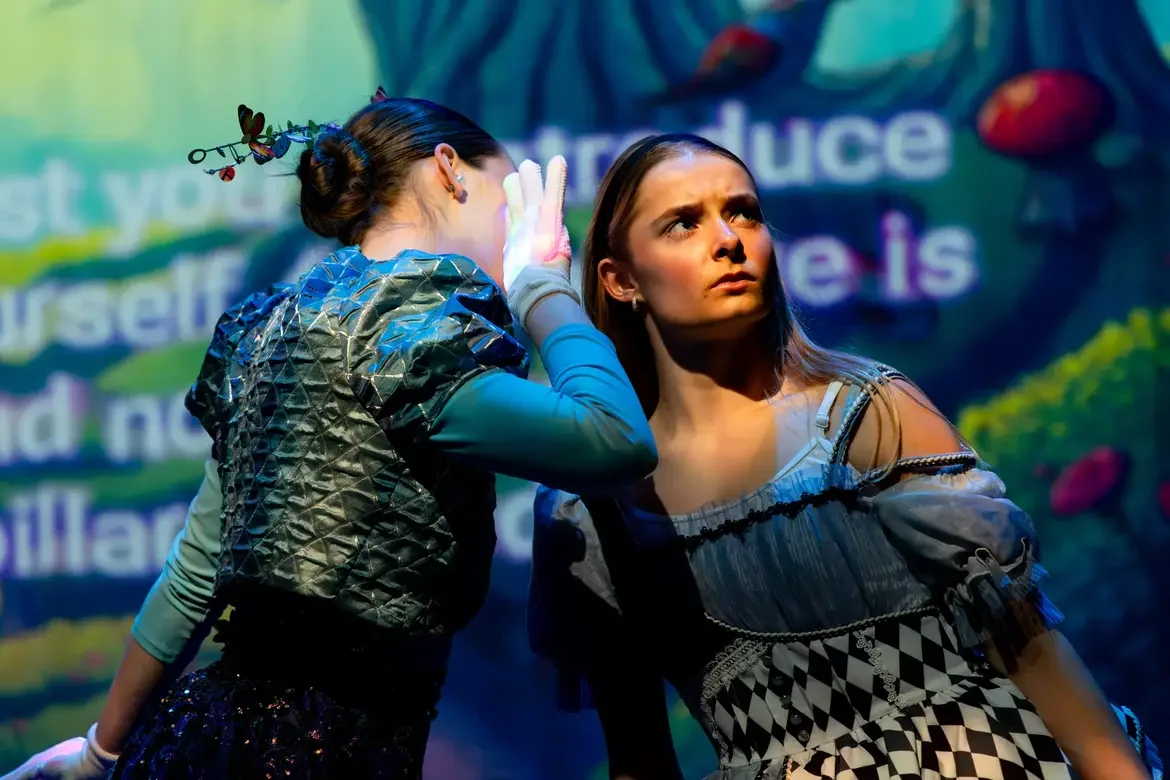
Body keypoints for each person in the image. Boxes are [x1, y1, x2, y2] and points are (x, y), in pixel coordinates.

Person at [3, 96, 657, 780]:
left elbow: (195, 573)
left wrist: (99, 753)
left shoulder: (268, 328)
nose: (518, 224)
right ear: (449, 170)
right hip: (317, 758)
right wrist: (544, 286)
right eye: (509, 196)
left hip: (211, 743)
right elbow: (615, 439)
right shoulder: (413, 327)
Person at [527, 133, 1163, 780]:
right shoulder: (592, 510)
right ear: (620, 279)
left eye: (743, 212)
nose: (728, 240)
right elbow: (637, 753)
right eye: (683, 224)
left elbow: (1027, 643)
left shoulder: (865, 412)